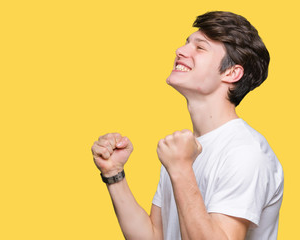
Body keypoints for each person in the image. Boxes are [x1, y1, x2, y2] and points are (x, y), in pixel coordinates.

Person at [91, 11, 284, 240]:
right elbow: (155, 236)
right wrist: (114, 174)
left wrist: (181, 169)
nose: (180, 51)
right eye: (186, 43)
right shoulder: (184, 150)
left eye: (200, 48)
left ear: (232, 72)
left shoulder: (246, 152)